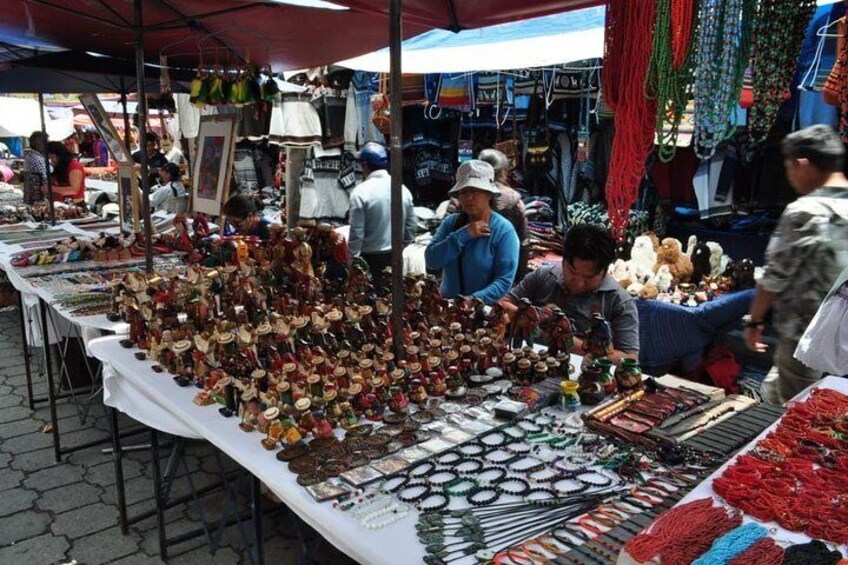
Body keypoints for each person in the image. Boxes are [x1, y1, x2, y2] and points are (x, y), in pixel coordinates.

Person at [745, 125, 848, 403]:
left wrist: (754, 321)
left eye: (789, 168)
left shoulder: (804, 211)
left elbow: (774, 277)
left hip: (806, 333)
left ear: (802, 164)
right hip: (842, 334)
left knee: (796, 410)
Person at [499, 223, 639, 363]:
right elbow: (503, 305)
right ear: (563, 260)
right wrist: (534, 317)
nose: (578, 283)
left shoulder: (620, 302)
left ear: (605, 270)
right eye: (572, 272)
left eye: (588, 278)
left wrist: (569, 341)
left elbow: (629, 359)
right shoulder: (544, 277)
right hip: (532, 363)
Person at [424, 160, 519, 305]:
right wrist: (464, 234)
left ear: (489, 195)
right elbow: (431, 260)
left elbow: (504, 281)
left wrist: (473, 301)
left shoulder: (504, 231)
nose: (468, 197)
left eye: (475, 191)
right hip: (448, 309)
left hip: (484, 312)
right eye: (464, 192)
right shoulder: (451, 223)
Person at [448, 148, 528, 282]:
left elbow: (446, 239)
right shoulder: (515, 201)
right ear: (503, 172)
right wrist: (517, 280)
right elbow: (523, 245)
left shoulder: (461, 197)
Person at [348, 142, 417, 275]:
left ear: (364, 165)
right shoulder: (402, 189)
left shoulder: (360, 192)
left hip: (369, 258)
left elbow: (357, 233)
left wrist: (351, 259)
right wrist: (403, 246)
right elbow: (411, 226)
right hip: (395, 256)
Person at [47, 141, 87, 206]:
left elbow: (74, 190)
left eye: (52, 157)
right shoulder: (59, 167)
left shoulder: (74, 166)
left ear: (60, 155)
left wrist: (51, 188)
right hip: (60, 205)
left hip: (74, 205)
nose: (51, 160)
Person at [24, 131, 50, 200]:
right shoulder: (37, 159)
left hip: (34, 195)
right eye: (46, 143)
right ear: (39, 144)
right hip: (39, 197)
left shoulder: (33, 155)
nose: (48, 146)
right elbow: (46, 180)